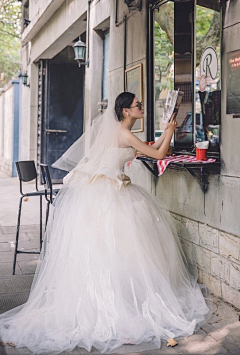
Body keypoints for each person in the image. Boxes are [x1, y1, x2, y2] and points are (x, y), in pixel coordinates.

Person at [0, 92, 210, 354]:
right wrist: (169, 130)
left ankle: (119, 297)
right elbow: (158, 154)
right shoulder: (124, 132)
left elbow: (149, 147)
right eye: (138, 106)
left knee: (113, 251)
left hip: (104, 191)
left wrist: (164, 134)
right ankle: (120, 303)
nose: (142, 108)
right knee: (121, 247)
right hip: (110, 195)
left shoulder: (122, 132)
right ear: (125, 111)